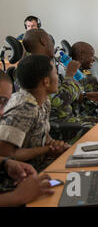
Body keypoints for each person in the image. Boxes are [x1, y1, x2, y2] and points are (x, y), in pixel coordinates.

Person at [22, 29, 98, 143]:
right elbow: (57, 100)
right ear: (43, 40)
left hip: (69, 118)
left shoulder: (46, 63)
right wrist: (70, 74)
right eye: (51, 41)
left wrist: (85, 95)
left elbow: (58, 93)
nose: (53, 45)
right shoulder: (33, 68)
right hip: (57, 125)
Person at [0, 55, 70, 176]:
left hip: (39, 166)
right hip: (20, 177)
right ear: (46, 81)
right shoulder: (25, 108)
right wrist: (47, 150)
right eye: (55, 73)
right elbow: (6, 154)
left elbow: (43, 134)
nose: (58, 77)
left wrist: (55, 145)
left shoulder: (43, 101)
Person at [0, 71, 54, 206]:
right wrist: (16, 197)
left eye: (4, 103)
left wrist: (6, 163)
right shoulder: (27, 105)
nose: (2, 113)